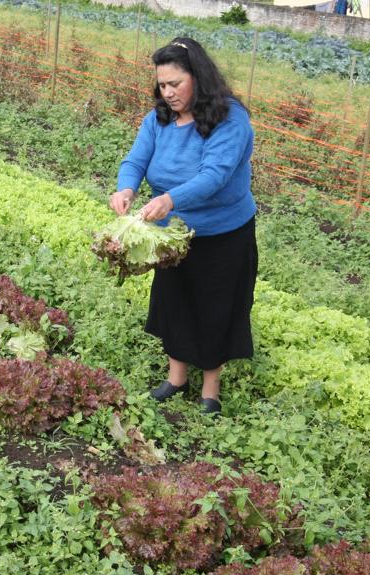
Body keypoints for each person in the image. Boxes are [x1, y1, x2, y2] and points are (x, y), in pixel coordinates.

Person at [109, 37, 257, 416]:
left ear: (199, 77)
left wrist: (169, 199)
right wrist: (126, 188)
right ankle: (176, 378)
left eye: (176, 83)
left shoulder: (230, 118)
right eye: (162, 84)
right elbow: (135, 161)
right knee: (175, 300)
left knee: (215, 306)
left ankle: (211, 388)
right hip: (173, 233)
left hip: (223, 234)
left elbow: (215, 176)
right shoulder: (158, 119)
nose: (168, 92)